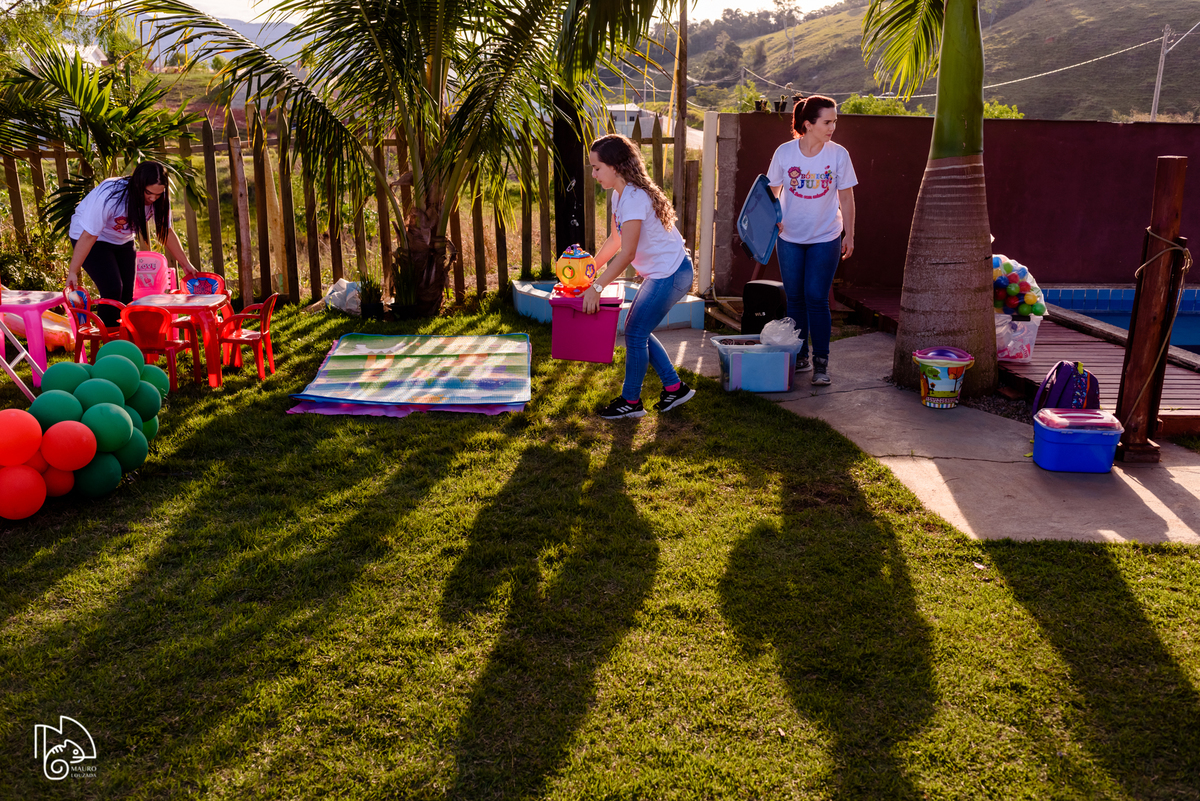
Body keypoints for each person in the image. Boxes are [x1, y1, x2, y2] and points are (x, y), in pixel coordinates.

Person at [583, 134, 695, 420]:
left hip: (670, 273)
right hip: (666, 271)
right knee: (639, 329)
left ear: (616, 167)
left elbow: (628, 254)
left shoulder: (634, 197)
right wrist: (590, 269)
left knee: (634, 332)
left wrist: (597, 287)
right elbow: (615, 240)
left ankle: (631, 402)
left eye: (597, 168)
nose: (594, 174)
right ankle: (674, 388)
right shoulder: (619, 195)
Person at [767, 94, 857, 386]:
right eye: (827, 122)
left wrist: (850, 233)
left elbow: (846, 196)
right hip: (789, 237)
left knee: (816, 299)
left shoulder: (838, 154)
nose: (833, 127)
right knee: (795, 299)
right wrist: (774, 215)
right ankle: (800, 356)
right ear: (808, 124)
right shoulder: (784, 152)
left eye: (834, 121)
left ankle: (821, 363)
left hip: (826, 236)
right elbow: (772, 191)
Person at [65, 161, 198, 326]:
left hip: (122, 239)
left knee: (127, 293)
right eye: (149, 193)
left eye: (158, 194)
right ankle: (109, 341)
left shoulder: (159, 198)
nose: (152, 198)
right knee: (112, 289)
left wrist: (185, 264)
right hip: (91, 237)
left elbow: (166, 232)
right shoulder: (111, 194)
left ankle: (124, 338)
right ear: (137, 185)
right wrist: (73, 271)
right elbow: (89, 235)